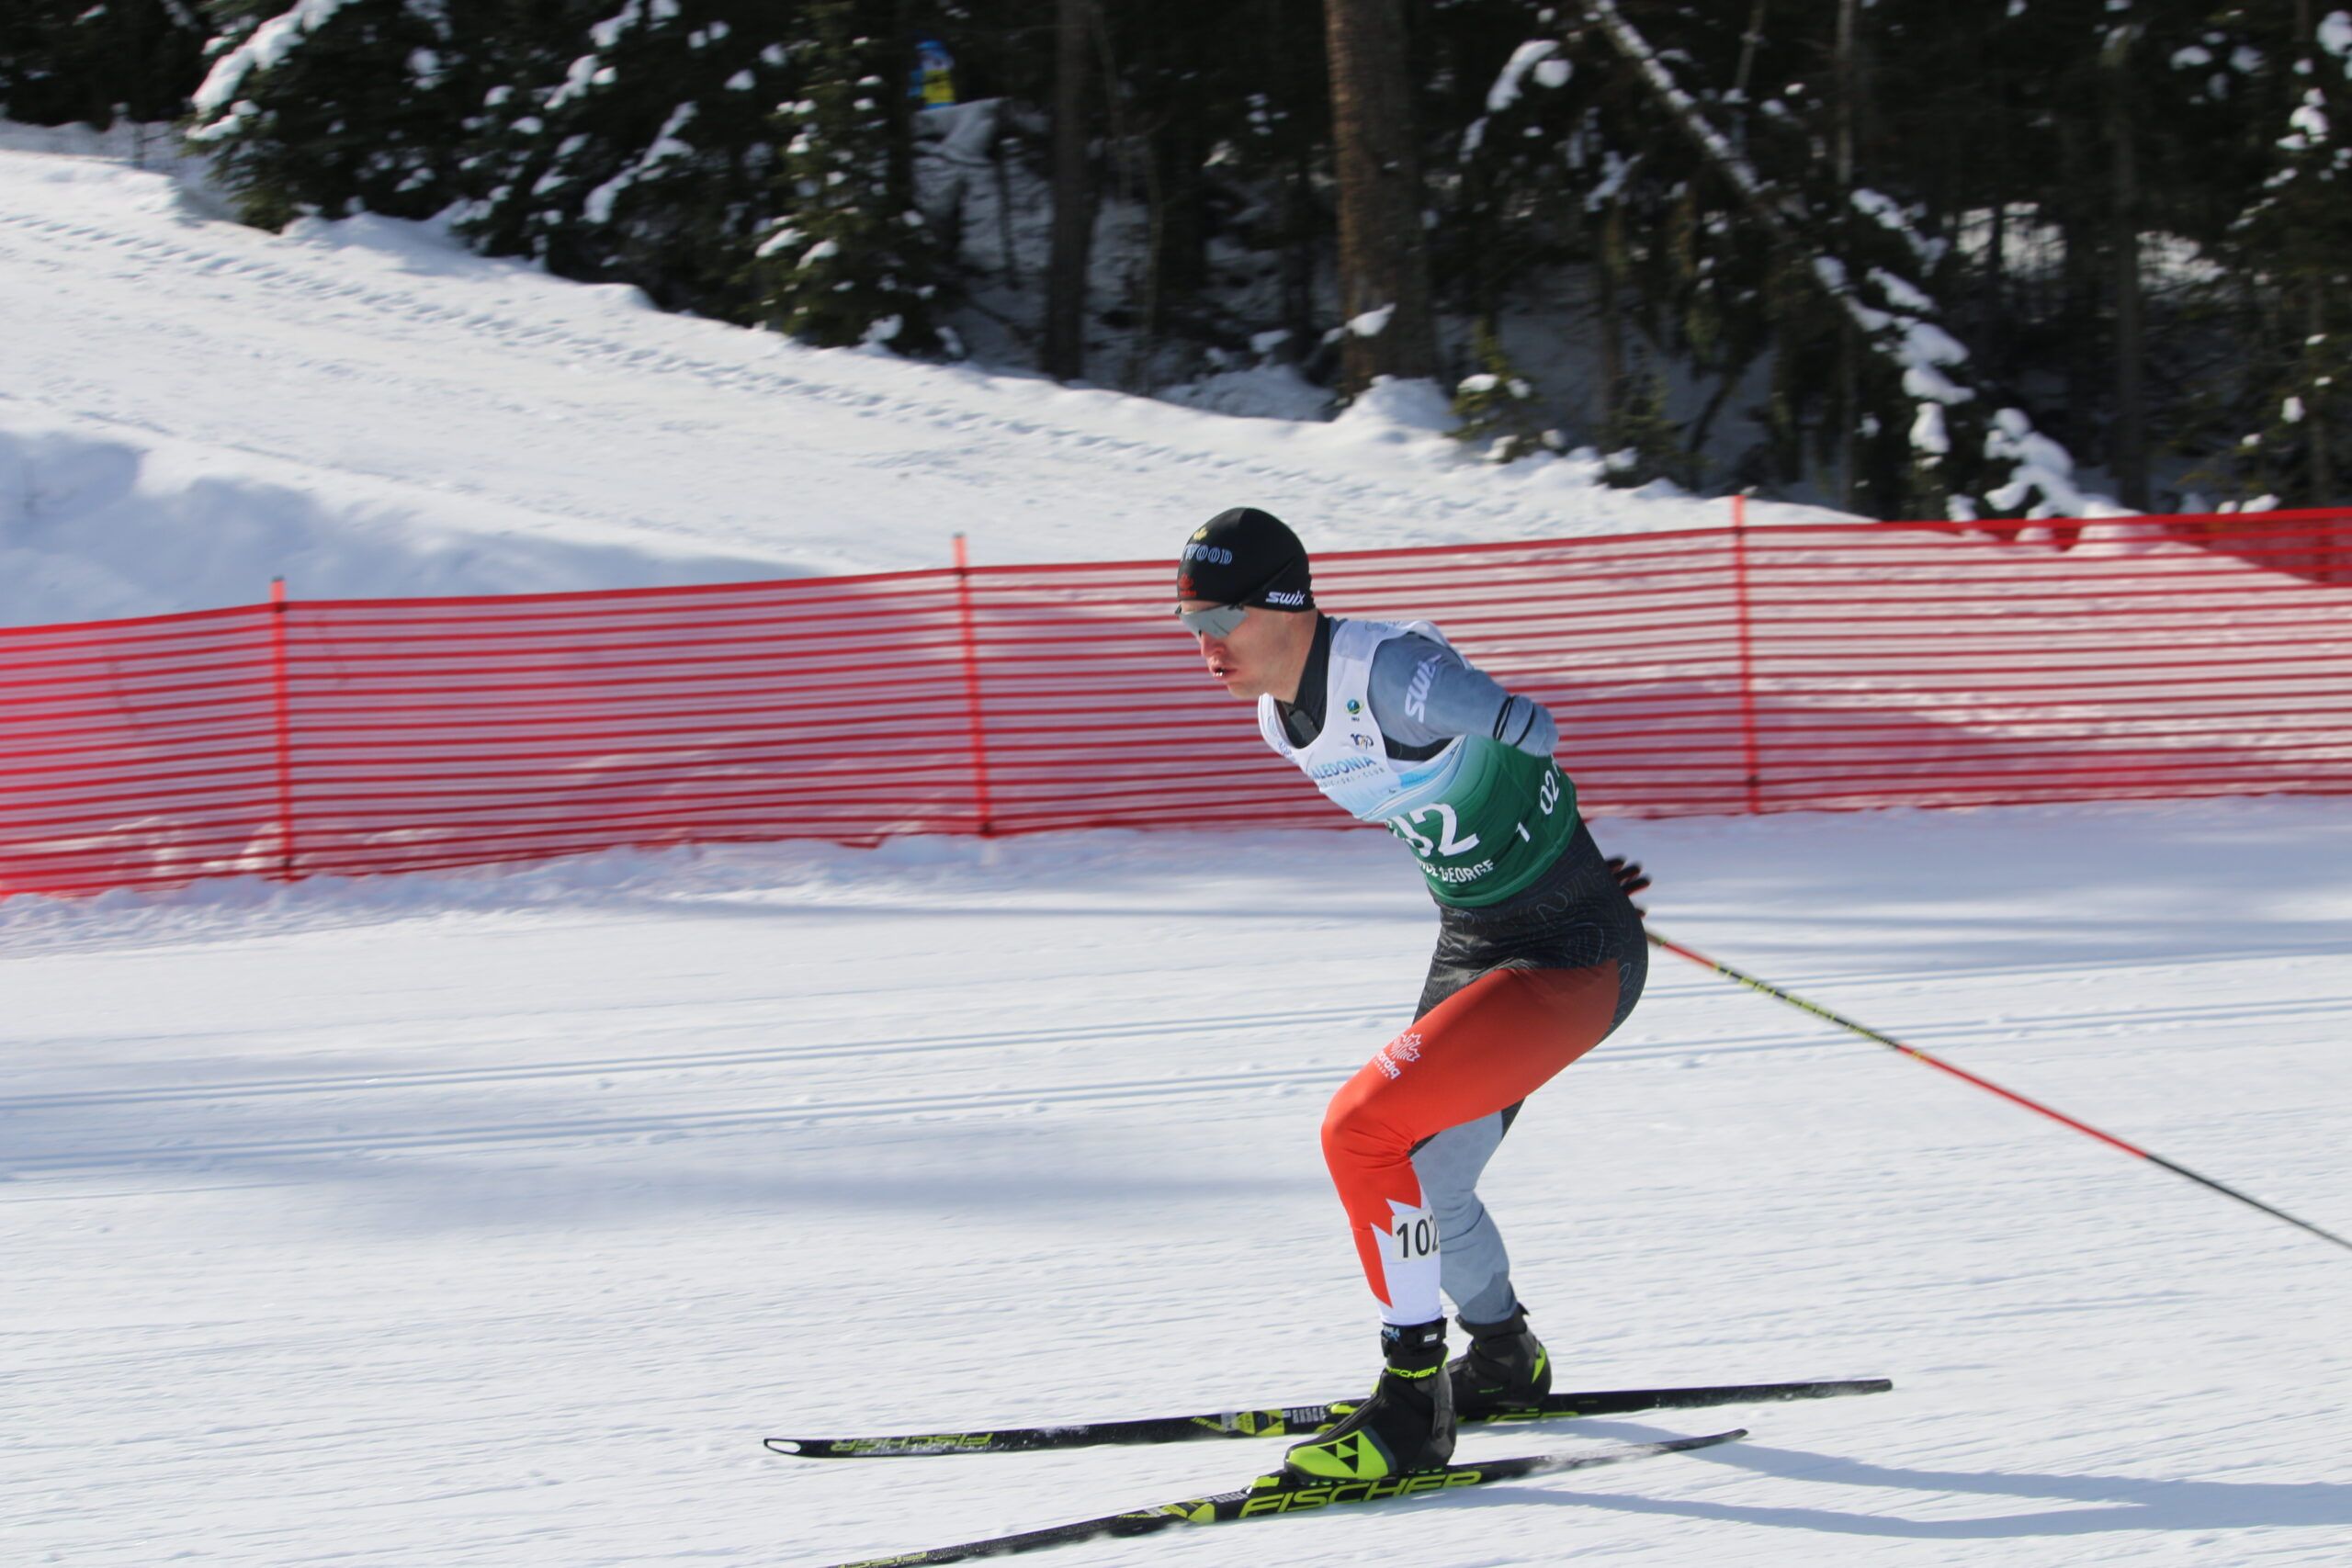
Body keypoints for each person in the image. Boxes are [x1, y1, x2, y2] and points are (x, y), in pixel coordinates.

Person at [1175, 506, 1651, 1483]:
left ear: (1285, 606)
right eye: (1189, 623)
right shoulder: (1280, 717)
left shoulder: (1389, 676)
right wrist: (1550, 846)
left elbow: (1530, 728)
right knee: (1423, 1178)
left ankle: (1411, 1406)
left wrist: (1566, 856)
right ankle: (1507, 1358)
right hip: (1477, 943)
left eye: (1220, 619)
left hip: (1565, 956)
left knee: (1359, 1131)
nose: (1205, 644)